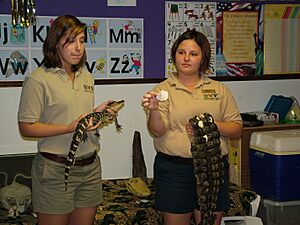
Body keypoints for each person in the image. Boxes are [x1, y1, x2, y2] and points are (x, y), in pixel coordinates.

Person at [18, 15, 114, 225]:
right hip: (55, 169)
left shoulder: (86, 76)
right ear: (56, 43)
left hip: (90, 167)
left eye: (81, 40)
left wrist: (96, 114)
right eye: (71, 40)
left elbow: (77, 115)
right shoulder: (38, 79)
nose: (78, 47)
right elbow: (26, 127)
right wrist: (68, 128)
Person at [142, 29, 243, 225]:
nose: (186, 58)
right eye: (181, 52)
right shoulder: (161, 91)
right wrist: (153, 109)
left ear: (203, 58)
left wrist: (210, 126)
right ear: (174, 55)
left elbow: (237, 129)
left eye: (193, 54)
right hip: (174, 170)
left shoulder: (219, 90)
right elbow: (157, 131)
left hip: (212, 168)